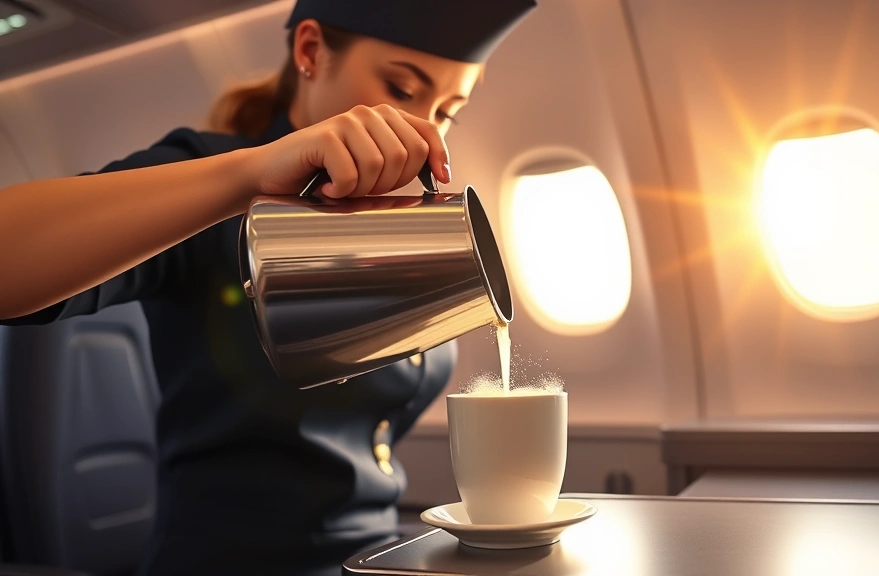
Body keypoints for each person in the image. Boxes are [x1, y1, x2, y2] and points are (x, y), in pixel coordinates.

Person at [0, 0, 537, 574]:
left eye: (448, 111)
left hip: (376, 559)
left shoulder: (398, 220)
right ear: (310, 52)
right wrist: (247, 174)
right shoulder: (214, 184)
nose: (423, 126)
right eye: (402, 89)